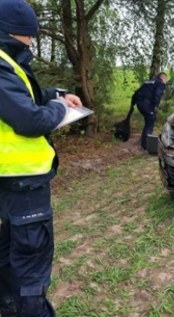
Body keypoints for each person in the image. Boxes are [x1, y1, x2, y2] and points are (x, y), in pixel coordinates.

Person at [0, 0, 82, 316]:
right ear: (15, 33)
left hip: (11, 185)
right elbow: (31, 120)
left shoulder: (8, 64)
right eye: (28, 36)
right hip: (23, 187)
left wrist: (56, 95)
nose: (31, 43)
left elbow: (21, 95)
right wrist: (61, 109)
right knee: (31, 271)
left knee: (8, 261)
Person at [132, 72, 169, 150]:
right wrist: (156, 105)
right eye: (166, 80)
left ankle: (144, 142)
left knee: (148, 122)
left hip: (139, 104)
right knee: (150, 122)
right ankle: (145, 146)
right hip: (147, 105)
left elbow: (136, 92)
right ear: (163, 78)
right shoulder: (160, 83)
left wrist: (132, 104)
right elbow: (157, 94)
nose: (166, 82)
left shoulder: (148, 82)